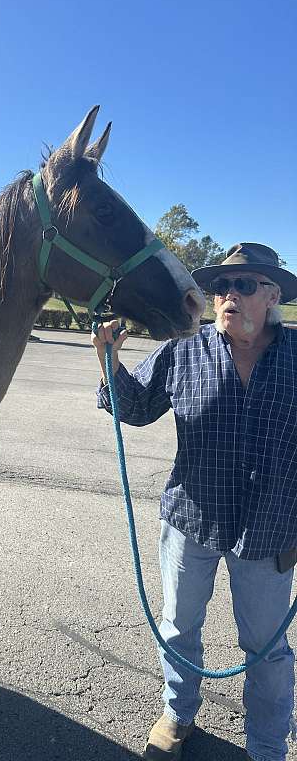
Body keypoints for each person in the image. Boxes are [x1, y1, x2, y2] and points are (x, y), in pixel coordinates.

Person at [92, 243, 297, 761]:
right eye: (221, 287)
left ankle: (267, 745)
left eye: (244, 285)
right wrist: (107, 359)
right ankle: (178, 712)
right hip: (191, 521)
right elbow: (135, 406)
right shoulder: (186, 348)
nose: (228, 296)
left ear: (272, 294)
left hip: (271, 529)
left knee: (267, 649)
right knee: (179, 627)